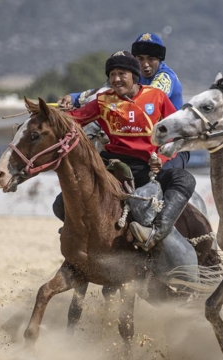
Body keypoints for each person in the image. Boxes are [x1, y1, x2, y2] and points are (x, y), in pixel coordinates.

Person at [56, 51, 196, 250]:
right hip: (112, 166)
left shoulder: (157, 97)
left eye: (122, 74)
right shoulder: (103, 100)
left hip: (147, 168)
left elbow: (176, 131)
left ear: (134, 76)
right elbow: (73, 119)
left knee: (185, 179)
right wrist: (46, 114)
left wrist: (162, 158)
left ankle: (156, 233)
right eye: (112, 74)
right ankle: (78, 231)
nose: (116, 79)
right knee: (59, 204)